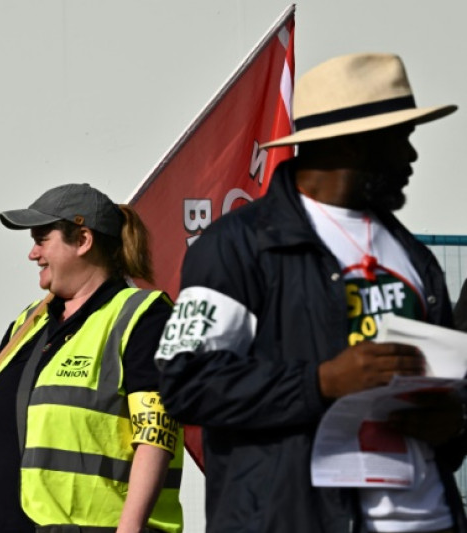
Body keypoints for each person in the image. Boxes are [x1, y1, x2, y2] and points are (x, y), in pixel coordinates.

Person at [154, 52, 467, 532]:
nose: (412, 156)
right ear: (350, 145)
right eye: (399, 138)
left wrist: (452, 424)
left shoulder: (414, 257)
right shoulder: (239, 245)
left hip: (429, 518)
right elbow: (187, 384)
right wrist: (319, 382)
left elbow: (448, 393)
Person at [0, 183, 184, 533]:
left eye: (42, 240)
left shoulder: (142, 317)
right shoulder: (26, 326)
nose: (33, 254)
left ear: (83, 240)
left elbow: (155, 436)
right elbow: (10, 428)